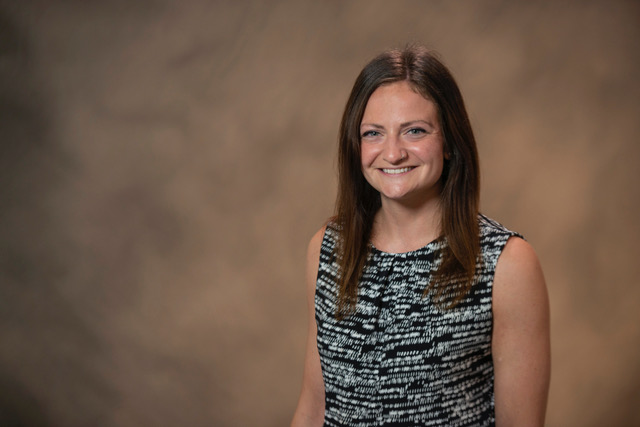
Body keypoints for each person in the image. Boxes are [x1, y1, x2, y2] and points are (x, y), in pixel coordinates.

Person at [291, 45, 550, 427]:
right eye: (373, 133)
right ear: (356, 145)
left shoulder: (506, 263)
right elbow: (314, 408)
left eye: (414, 131)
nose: (393, 153)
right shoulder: (329, 248)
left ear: (448, 142)